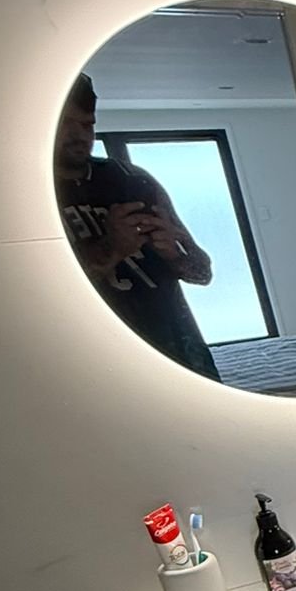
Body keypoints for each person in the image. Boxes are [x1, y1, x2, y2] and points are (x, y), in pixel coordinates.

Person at [54, 72, 221, 378]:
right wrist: (112, 247)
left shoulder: (133, 180)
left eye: (88, 124)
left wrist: (175, 254)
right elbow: (47, 299)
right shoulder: (27, 193)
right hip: (99, 367)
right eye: (66, 122)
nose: (79, 135)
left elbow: (203, 272)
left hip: (182, 353)